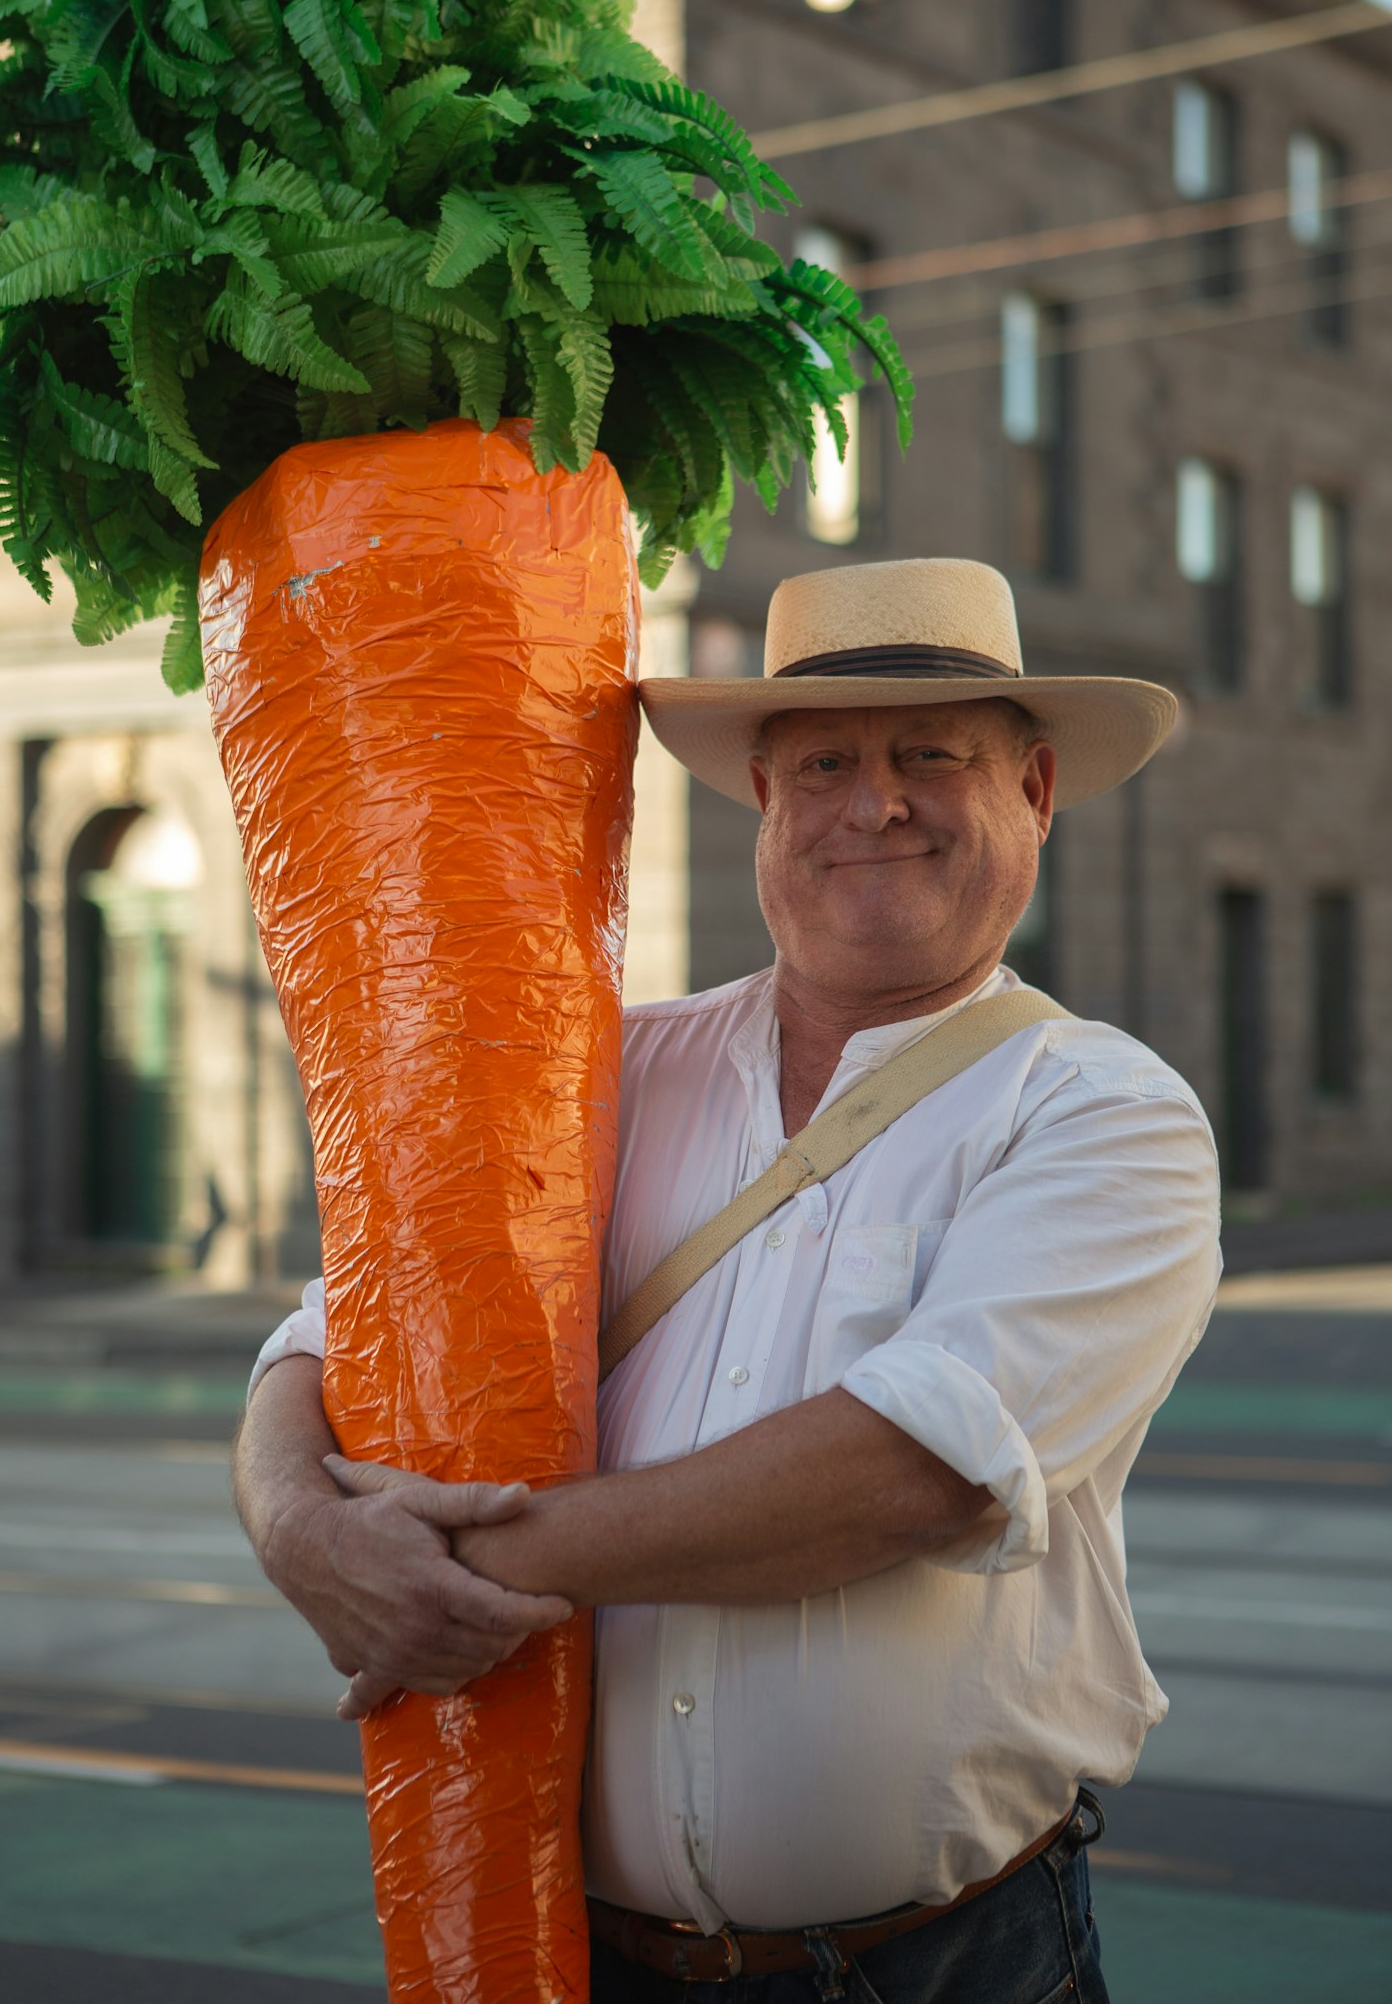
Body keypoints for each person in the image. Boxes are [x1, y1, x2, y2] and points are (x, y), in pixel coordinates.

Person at [235, 556, 1221, 2003]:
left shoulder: (1102, 1113)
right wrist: (290, 1523)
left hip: (943, 1969)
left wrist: (448, 1577)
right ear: (765, 798)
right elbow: (330, 1332)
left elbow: (915, 1474)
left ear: (1038, 789)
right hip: (589, 1959)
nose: (873, 803)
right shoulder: (600, 1069)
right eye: (824, 760)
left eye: (932, 755)